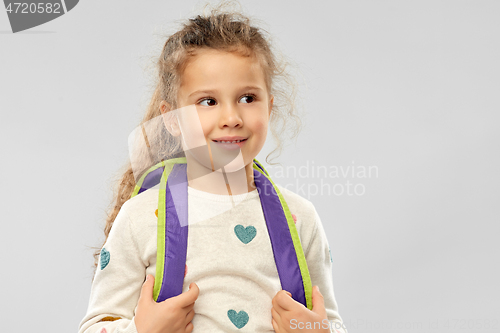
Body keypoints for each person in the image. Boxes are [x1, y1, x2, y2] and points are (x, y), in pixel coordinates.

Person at [78, 1, 348, 332]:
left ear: (270, 107)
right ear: (173, 120)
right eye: (208, 102)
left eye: (248, 98)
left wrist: (315, 330)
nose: (231, 118)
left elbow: (332, 322)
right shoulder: (139, 219)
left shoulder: (300, 218)